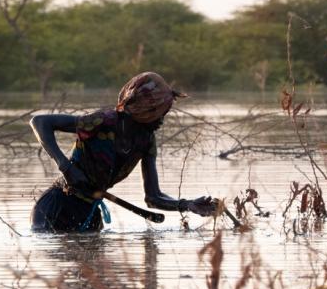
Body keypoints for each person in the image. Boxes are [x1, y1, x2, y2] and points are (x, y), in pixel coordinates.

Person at [29, 71, 216, 232]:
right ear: (145, 108)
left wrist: (187, 204)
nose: (162, 119)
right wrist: (67, 168)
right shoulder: (103, 121)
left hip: (90, 213)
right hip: (57, 207)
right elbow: (40, 122)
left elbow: (153, 198)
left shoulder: (146, 141)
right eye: (160, 112)